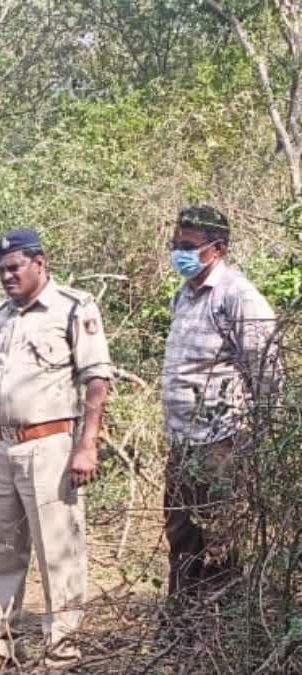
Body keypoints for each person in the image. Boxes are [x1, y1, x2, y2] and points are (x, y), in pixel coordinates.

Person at [0, 230, 112, 666]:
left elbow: (96, 379)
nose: (8, 277)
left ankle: (61, 649)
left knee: (58, 550)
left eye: (15, 268)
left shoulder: (73, 307)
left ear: (40, 262)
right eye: (2, 271)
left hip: (50, 446)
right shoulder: (0, 317)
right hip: (0, 445)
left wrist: (87, 445)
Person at [161, 205, 280, 602]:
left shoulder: (238, 296)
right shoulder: (184, 295)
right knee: (180, 534)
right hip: (181, 443)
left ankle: (220, 629)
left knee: (219, 538)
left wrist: (261, 441)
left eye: (189, 246)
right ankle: (181, 625)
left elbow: (266, 372)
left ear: (218, 248)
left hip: (222, 443)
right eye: (176, 244)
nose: (180, 253)